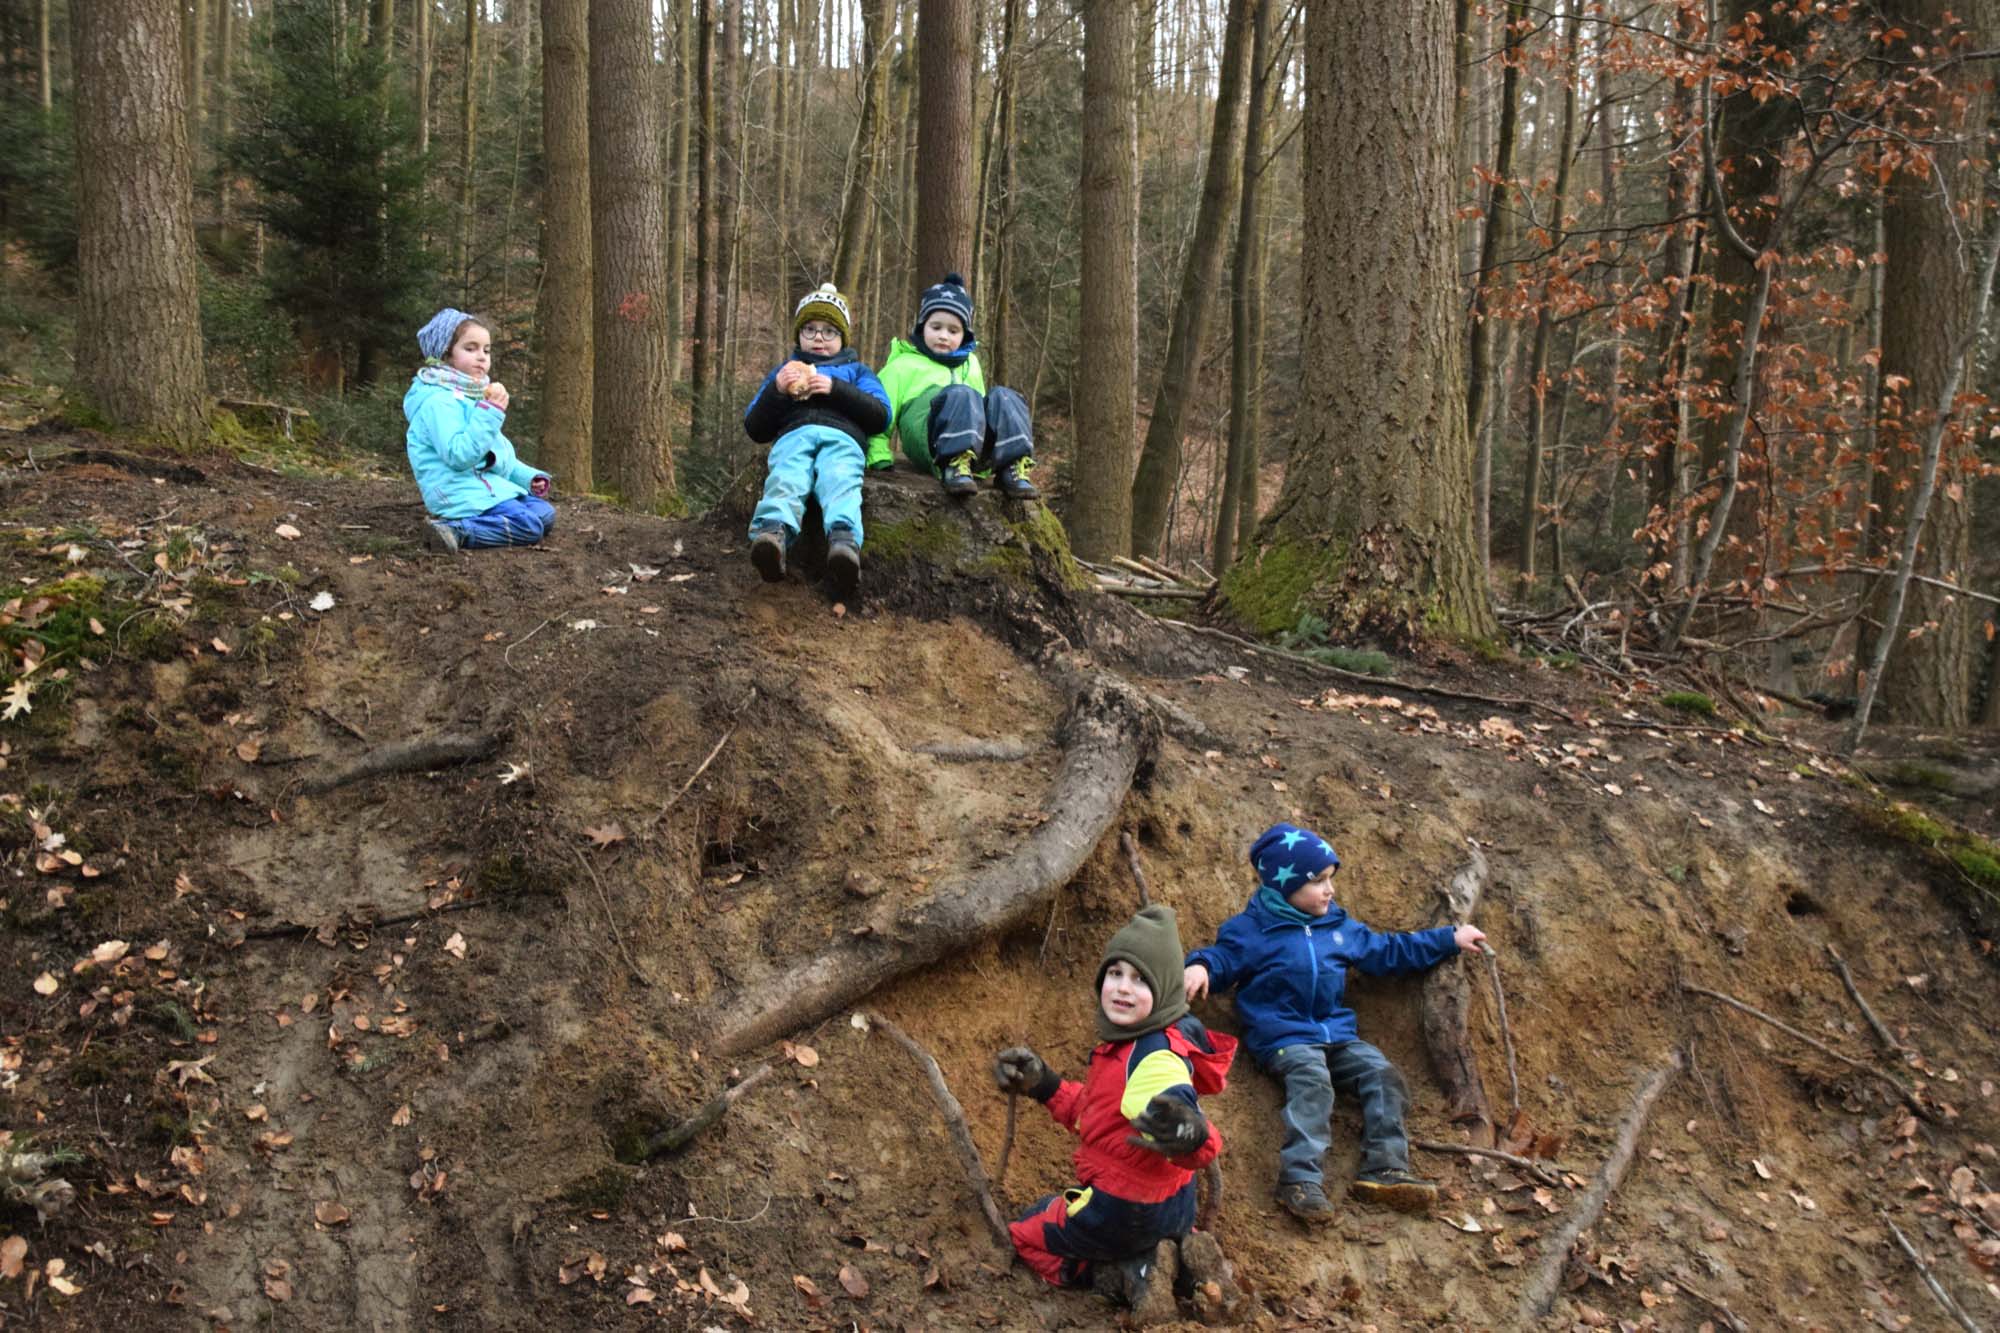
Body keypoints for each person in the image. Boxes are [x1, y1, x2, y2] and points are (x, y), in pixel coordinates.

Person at [1183, 822, 1487, 1223]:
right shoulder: (1252, 931)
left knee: (1383, 1075)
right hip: (1284, 1036)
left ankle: (1385, 1168)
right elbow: (1223, 958)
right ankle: (1300, 1180)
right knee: (1313, 1083)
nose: (1330, 890)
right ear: (1284, 885)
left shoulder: (1338, 926)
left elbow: (1387, 951)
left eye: (1331, 878)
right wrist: (1201, 967)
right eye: (1318, 881)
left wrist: (1448, 939)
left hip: (1336, 1033)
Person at [993, 905, 1236, 1323]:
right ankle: (1183, 1262)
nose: (1123, 988)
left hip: (1124, 1210)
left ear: (1165, 990)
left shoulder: (1153, 1058)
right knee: (1137, 1223)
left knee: (1028, 1231)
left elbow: (1182, 1109)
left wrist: (1192, 1133)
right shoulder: (1143, 1043)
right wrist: (1045, 1084)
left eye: (1140, 979)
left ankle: (1118, 1273)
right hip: (1177, 1203)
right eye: (1115, 973)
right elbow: (1101, 1117)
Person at [744, 283, 891, 602]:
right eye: (809, 330)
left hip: (843, 439)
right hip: (793, 437)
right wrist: (777, 391)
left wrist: (837, 389)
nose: (818, 338)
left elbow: (881, 415)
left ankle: (844, 543)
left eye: (829, 331)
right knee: (786, 476)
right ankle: (772, 535)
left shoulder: (857, 372)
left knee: (840, 479)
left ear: (843, 337)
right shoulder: (783, 372)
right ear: (798, 335)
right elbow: (755, 427)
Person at [867, 272, 1037, 499]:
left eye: (953, 331)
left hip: (973, 444)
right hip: (930, 439)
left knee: (1003, 396)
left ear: (964, 335)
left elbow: (981, 411)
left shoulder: (971, 364)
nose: (943, 336)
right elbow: (880, 412)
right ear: (922, 327)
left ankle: (1011, 467)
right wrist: (877, 452)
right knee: (961, 394)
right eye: (936, 327)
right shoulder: (903, 365)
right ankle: (954, 463)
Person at [403, 308, 554, 553]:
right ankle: (454, 531)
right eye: (470, 348)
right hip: (456, 492)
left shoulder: (472, 394)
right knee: (529, 527)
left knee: (544, 513)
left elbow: (497, 455)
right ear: (445, 354)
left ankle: (475, 526)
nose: (482, 357)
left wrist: (528, 478)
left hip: (481, 486)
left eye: (486, 350)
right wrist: (490, 412)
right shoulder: (438, 402)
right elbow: (459, 455)